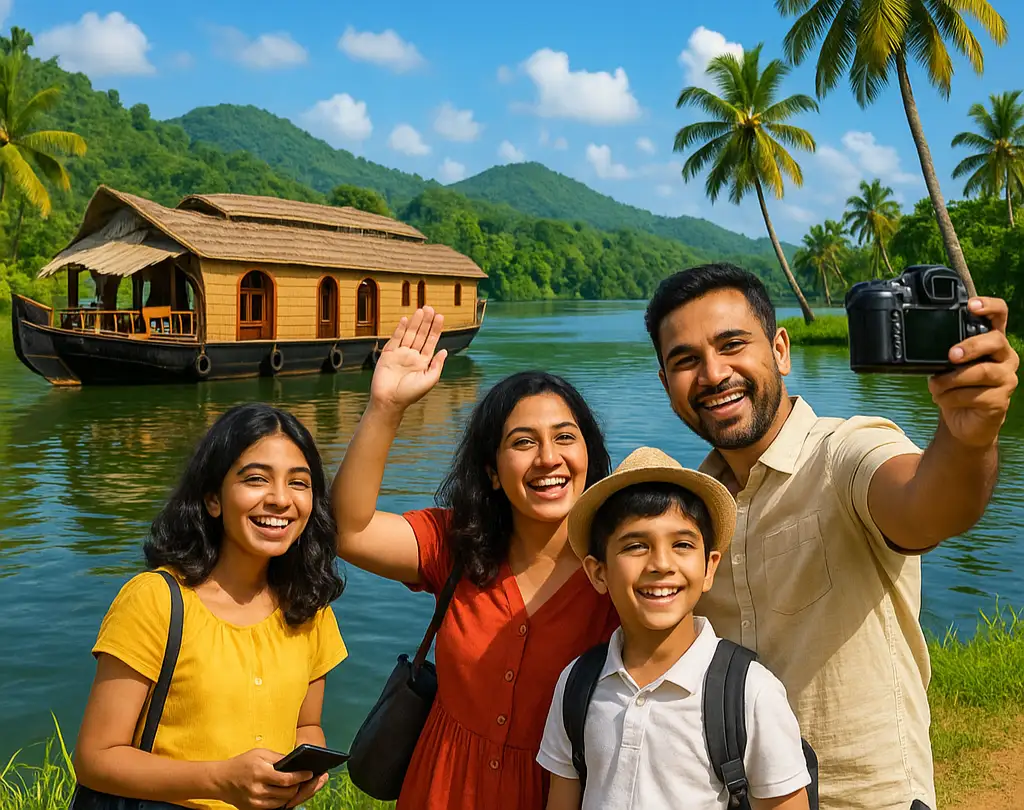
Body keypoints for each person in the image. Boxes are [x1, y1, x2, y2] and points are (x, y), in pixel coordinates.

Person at [642, 263, 1019, 810]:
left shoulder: (846, 453)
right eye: (685, 361)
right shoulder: (695, 514)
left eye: (732, 344)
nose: (713, 373)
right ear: (665, 384)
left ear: (780, 350)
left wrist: (969, 438)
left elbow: (926, 508)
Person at [332, 306, 619, 810]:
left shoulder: (619, 571)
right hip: (439, 791)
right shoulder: (457, 542)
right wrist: (384, 407)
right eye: (523, 442)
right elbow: (350, 531)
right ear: (492, 471)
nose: (548, 458)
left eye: (565, 438)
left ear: (589, 457)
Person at [73, 403, 348, 810]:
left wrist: (301, 772)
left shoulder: (309, 606)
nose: (279, 500)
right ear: (213, 499)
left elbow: (307, 725)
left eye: (299, 483)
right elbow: (95, 759)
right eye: (256, 479)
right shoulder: (155, 599)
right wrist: (220, 780)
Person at [538, 446, 812, 810]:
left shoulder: (750, 694)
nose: (661, 564)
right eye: (636, 546)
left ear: (710, 567)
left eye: (682, 544)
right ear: (598, 572)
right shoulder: (577, 684)